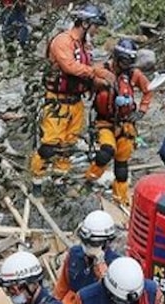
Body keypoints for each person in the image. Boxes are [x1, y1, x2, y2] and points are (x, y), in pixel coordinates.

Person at [30, 4, 115, 180]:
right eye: (95, 26)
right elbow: (70, 67)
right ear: (85, 23)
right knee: (49, 145)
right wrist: (96, 71)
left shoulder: (84, 46)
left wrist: (100, 83)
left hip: (76, 102)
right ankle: (36, 179)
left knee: (68, 144)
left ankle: (59, 178)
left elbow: (85, 74)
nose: (97, 30)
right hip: (57, 102)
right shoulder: (63, 41)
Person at [85, 38, 152, 205]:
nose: (126, 65)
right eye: (123, 61)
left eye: (129, 62)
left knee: (121, 165)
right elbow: (88, 76)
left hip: (126, 123)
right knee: (106, 151)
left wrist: (141, 111)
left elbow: (148, 90)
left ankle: (120, 198)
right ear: (116, 57)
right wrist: (100, 82)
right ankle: (90, 178)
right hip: (104, 122)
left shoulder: (133, 74)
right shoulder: (103, 69)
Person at [54, 210, 121, 304]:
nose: (88, 246)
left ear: (107, 242)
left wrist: (100, 264)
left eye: (93, 243)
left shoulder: (115, 266)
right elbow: (61, 289)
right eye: (85, 241)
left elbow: (109, 299)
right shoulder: (74, 255)